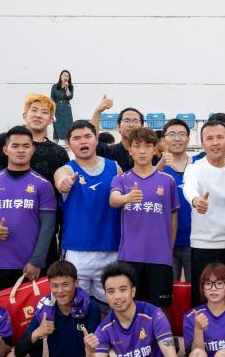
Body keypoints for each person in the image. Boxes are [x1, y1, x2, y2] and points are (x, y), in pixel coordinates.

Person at [0, 126, 57, 297]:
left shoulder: (43, 185)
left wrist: (36, 261)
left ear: (33, 149)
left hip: (29, 266)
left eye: (26, 146)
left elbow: (48, 226)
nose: (21, 150)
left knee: (31, 313)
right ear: (5, 150)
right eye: (15, 146)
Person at [7, 260, 102, 357]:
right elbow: (19, 352)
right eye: (55, 286)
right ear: (49, 285)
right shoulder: (45, 307)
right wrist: (37, 333)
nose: (60, 291)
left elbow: (95, 352)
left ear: (76, 283)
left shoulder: (90, 307)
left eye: (65, 284)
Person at [183, 118, 225, 306]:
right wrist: (196, 200)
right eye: (209, 138)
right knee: (202, 301)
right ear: (202, 142)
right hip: (203, 246)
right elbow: (189, 188)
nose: (215, 143)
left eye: (220, 137)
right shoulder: (194, 169)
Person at [109, 127, 179, 309]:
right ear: (130, 150)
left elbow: (173, 218)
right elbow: (113, 200)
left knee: (161, 308)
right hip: (129, 256)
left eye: (147, 146)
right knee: (129, 307)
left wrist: (168, 249)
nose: (142, 151)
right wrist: (127, 198)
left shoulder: (168, 181)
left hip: (160, 257)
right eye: (137, 146)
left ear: (155, 149)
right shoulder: (121, 179)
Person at [55, 120, 120, 311]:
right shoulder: (67, 169)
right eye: (76, 138)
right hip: (77, 253)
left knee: (110, 308)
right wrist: (63, 183)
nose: (83, 141)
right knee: (75, 307)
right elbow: (60, 178)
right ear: (68, 144)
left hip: (111, 250)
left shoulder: (114, 167)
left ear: (96, 139)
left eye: (87, 136)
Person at [0, 94, 69, 184]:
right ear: (25, 115)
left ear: (51, 120)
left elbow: (63, 189)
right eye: (34, 110)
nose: (38, 115)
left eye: (44, 112)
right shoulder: (3, 141)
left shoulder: (58, 153)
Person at [157, 118, 194, 283]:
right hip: (166, 242)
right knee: (167, 290)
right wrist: (159, 166)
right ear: (163, 140)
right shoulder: (157, 168)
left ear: (188, 139)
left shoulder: (199, 165)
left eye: (181, 134)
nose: (177, 138)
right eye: (172, 134)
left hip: (195, 241)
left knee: (197, 290)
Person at [90, 96, 149, 172]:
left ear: (142, 126)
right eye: (126, 120)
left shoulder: (150, 153)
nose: (131, 125)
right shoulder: (109, 152)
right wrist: (97, 111)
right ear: (118, 126)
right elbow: (92, 141)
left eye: (136, 121)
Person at [50, 70, 74, 143]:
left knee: (68, 128)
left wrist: (67, 87)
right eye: (64, 75)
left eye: (67, 76)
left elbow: (69, 96)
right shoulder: (55, 87)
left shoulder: (70, 87)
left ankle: (68, 146)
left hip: (66, 108)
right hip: (57, 108)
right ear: (60, 76)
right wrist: (52, 112)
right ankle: (54, 147)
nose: (66, 77)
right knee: (56, 128)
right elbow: (52, 99)